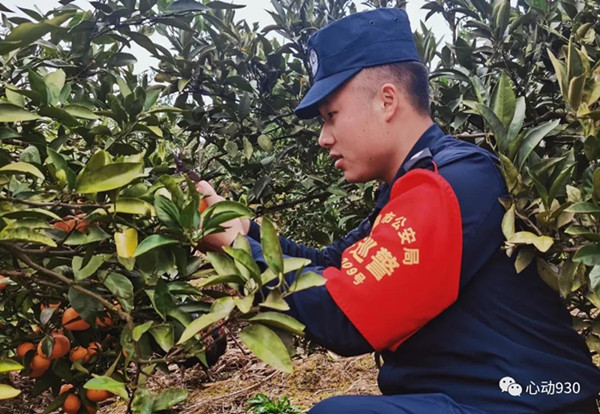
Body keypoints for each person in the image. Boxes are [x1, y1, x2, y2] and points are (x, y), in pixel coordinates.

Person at [196, 8, 600, 413]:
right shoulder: (416, 183)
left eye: (331, 116)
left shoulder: (451, 183)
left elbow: (345, 318)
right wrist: (244, 229)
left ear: (387, 100)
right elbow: (331, 264)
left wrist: (237, 248)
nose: (324, 138)